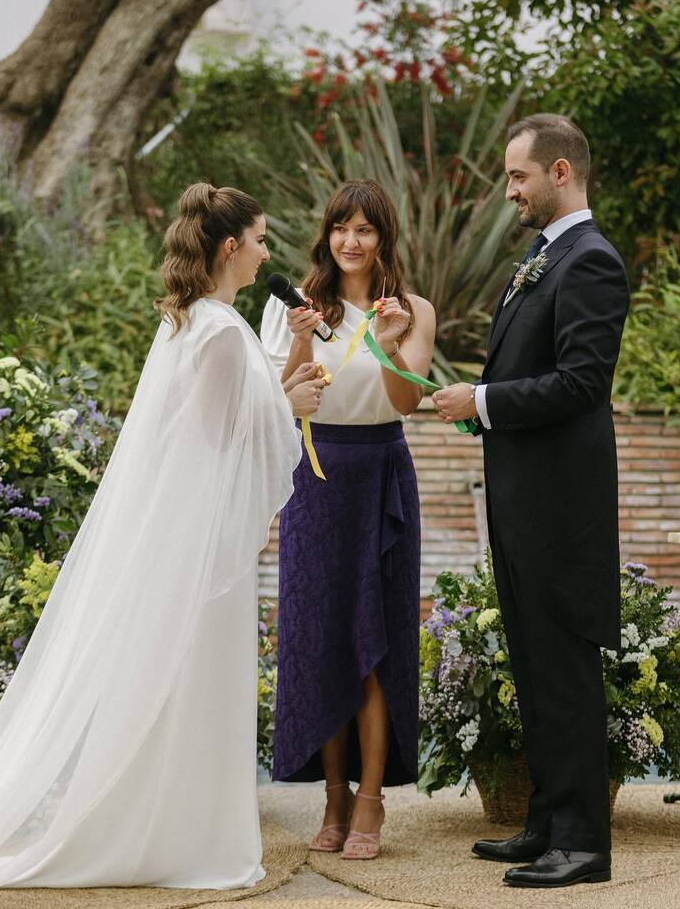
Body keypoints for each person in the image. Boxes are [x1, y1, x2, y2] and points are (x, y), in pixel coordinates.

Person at [0, 183, 326, 906]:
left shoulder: (199, 322)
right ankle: (183, 839)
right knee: (192, 681)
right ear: (230, 247)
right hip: (199, 545)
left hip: (190, 532)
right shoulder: (214, 329)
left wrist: (279, 389)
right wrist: (289, 403)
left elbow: (219, 419)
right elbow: (213, 440)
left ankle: (165, 824)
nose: (271, 251)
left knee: (178, 683)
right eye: (263, 239)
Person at [433, 115, 630, 889]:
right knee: (535, 667)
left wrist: (480, 401)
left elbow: (584, 383)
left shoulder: (589, 261)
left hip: (559, 510)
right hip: (523, 502)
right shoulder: (544, 256)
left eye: (516, 177)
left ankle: (583, 845)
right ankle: (547, 822)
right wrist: (477, 401)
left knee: (564, 674)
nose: (507, 191)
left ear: (558, 172)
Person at [261, 179, 435, 861]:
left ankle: (370, 799)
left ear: (382, 237)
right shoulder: (294, 309)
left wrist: (389, 342)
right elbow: (282, 401)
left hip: (381, 478)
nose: (350, 241)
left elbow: (406, 401)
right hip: (313, 478)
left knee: (375, 645)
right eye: (340, 228)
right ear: (326, 235)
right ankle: (331, 797)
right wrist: (304, 343)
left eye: (364, 229)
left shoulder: (411, 309)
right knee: (321, 640)